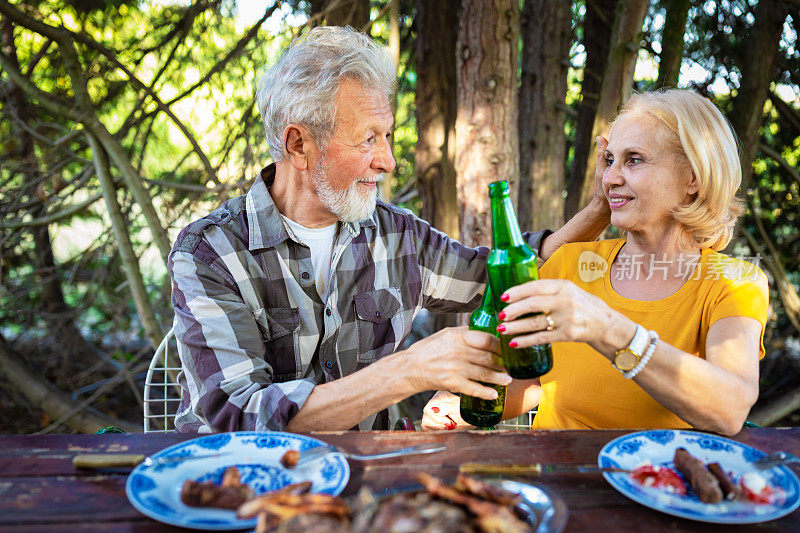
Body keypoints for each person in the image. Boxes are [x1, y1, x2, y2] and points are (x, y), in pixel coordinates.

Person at [168, 26, 610, 433]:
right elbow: (238, 417)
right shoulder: (210, 253)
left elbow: (508, 274)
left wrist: (597, 211)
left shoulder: (398, 236)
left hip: (366, 487)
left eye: (387, 136)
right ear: (298, 145)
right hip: (243, 490)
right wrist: (410, 369)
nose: (387, 161)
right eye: (367, 139)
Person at [423, 89, 768, 436]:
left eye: (634, 160)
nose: (610, 178)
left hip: (659, 483)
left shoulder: (733, 284)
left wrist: (606, 328)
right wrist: (469, 403)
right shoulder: (571, 263)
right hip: (557, 481)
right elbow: (534, 380)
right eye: (610, 160)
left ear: (693, 177)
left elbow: (729, 408)